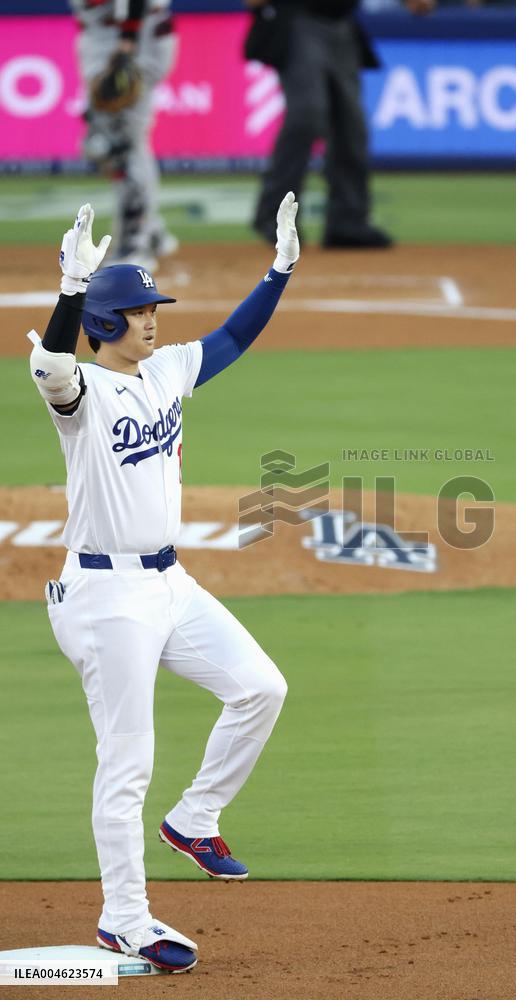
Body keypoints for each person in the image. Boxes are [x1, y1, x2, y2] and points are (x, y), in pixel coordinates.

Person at [28, 195, 299, 972]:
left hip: (169, 584)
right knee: (127, 762)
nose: (151, 320)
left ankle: (194, 818)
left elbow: (232, 338)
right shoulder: (80, 393)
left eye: (153, 309)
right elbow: (49, 365)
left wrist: (278, 271)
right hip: (105, 599)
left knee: (261, 689)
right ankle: (124, 918)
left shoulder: (167, 370)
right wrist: (70, 290)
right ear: (104, 322)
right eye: (138, 311)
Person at [244, 0, 434, 248]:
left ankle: (347, 221)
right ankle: (275, 215)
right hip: (298, 19)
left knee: (351, 125)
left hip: (342, 22)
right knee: (307, 115)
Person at [69, 0, 178, 272]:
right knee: (111, 143)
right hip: (103, 33)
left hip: (130, 35)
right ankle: (149, 228)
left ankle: (136, 242)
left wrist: (128, 39)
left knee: (120, 145)